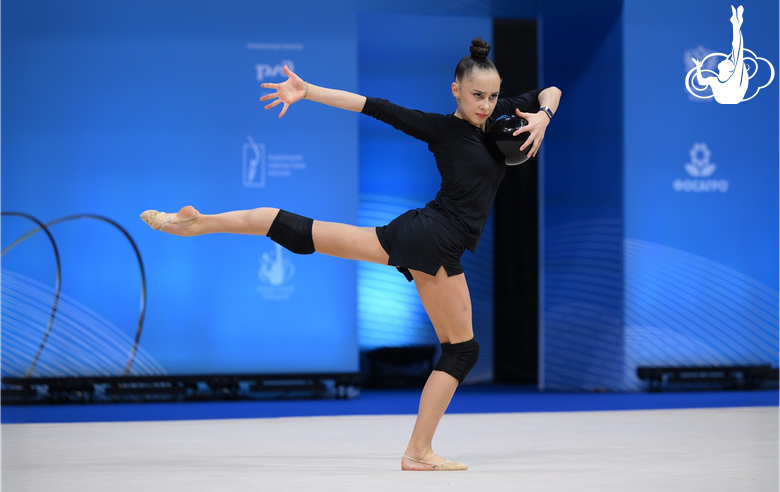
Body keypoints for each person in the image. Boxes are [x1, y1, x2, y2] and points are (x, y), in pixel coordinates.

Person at [141, 37, 561, 471]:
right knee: (462, 351)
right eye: (477, 95)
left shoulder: (500, 115)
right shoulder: (443, 128)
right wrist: (309, 91)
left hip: (419, 233)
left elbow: (552, 91)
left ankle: (199, 223)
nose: (487, 105)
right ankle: (418, 452)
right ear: (455, 89)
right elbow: (372, 105)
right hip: (435, 240)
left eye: (493, 96)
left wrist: (543, 117)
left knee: (310, 233)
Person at [692, 5, 748, 104]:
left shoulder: (735, 76)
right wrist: (698, 67)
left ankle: (736, 23)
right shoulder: (714, 80)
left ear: (730, 69)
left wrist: (736, 25)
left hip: (733, 96)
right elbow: (701, 82)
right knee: (736, 51)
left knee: (737, 50)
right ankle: (736, 23)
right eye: (728, 60)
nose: (725, 59)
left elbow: (737, 47)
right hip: (727, 97)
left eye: (727, 61)